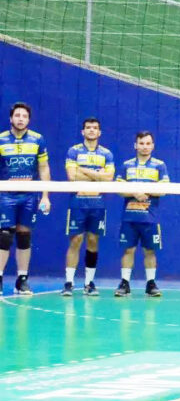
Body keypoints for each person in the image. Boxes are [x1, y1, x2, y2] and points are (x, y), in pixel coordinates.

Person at [0, 102, 50, 296]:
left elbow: (43, 167)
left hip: (29, 194)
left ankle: (22, 280)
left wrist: (45, 195)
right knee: (4, 237)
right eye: (17, 115)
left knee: (24, 236)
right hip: (6, 195)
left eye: (24, 116)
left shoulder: (38, 139)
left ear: (29, 120)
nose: (21, 119)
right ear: (11, 118)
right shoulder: (2, 140)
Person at [62, 117, 115, 297]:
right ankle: (69, 282)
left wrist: (83, 170)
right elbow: (71, 175)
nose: (91, 130)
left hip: (97, 203)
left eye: (95, 128)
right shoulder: (73, 151)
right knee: (75, 240)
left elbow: (109, 178)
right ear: (82, 132)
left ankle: (88, 283)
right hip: (78, 201)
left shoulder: (107, 154)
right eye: (88, 128)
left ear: (99, 132)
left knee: (93, 240)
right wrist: (96, 174)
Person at [115, 131, 169, 298]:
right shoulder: (127, 165)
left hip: (150, 217)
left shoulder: (160, 165)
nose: (145, 147)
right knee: (128, 250)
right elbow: (118, 188)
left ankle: (151, 283)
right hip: (130, 216)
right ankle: (124, 283)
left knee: (150, 251)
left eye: (148, 143)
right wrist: (134, 192)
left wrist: (146, 191)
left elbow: (165, 188)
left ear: (152, 145)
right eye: (142, 143)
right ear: (135, 145)